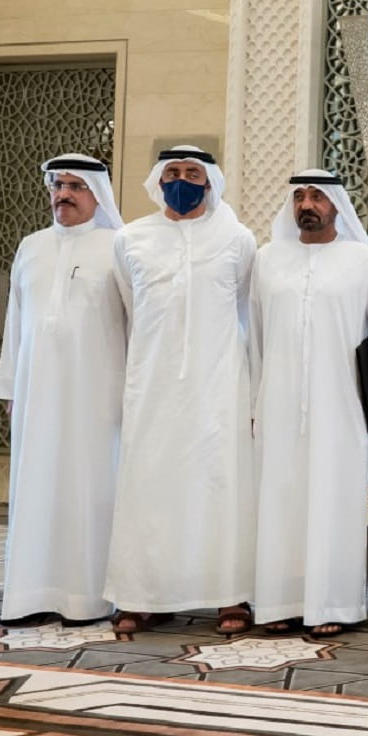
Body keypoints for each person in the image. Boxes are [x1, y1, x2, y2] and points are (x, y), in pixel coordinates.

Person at [105, 145, 258, 636]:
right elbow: (132, 306)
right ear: (156, 180)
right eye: (172, 172)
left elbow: (245, 310)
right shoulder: (131, 239)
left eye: (193, 173)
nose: (182, 180)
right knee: (150, 487)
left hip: (218, 385)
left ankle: (228, 595)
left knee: (219, 486)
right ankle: (142, 596)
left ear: (210, 181)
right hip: (152, 384)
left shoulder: (237, 239)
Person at [251, 170, 368, 639]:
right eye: (300, 196)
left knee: (335, 498)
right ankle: (279, 602)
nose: (307, 204)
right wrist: (254, 399)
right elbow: (255, 337)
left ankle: (334, 603)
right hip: (278, 400)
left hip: (341, 401)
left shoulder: (364, 261)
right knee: (280, 498)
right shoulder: (267, 260)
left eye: (318, 197)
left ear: (336, 205)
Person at [0, 154, 127, 625]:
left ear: (97, 193)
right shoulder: (31, 246)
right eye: (57, 184)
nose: (62, 194)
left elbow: (136, 325)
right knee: (36, 486)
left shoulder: (117, 246)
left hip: (97, 393)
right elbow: (16, 323)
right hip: (36, 391)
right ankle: (30, 595)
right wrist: (9, 388)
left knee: (90, 488)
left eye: (74, 185)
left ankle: (86, 598)